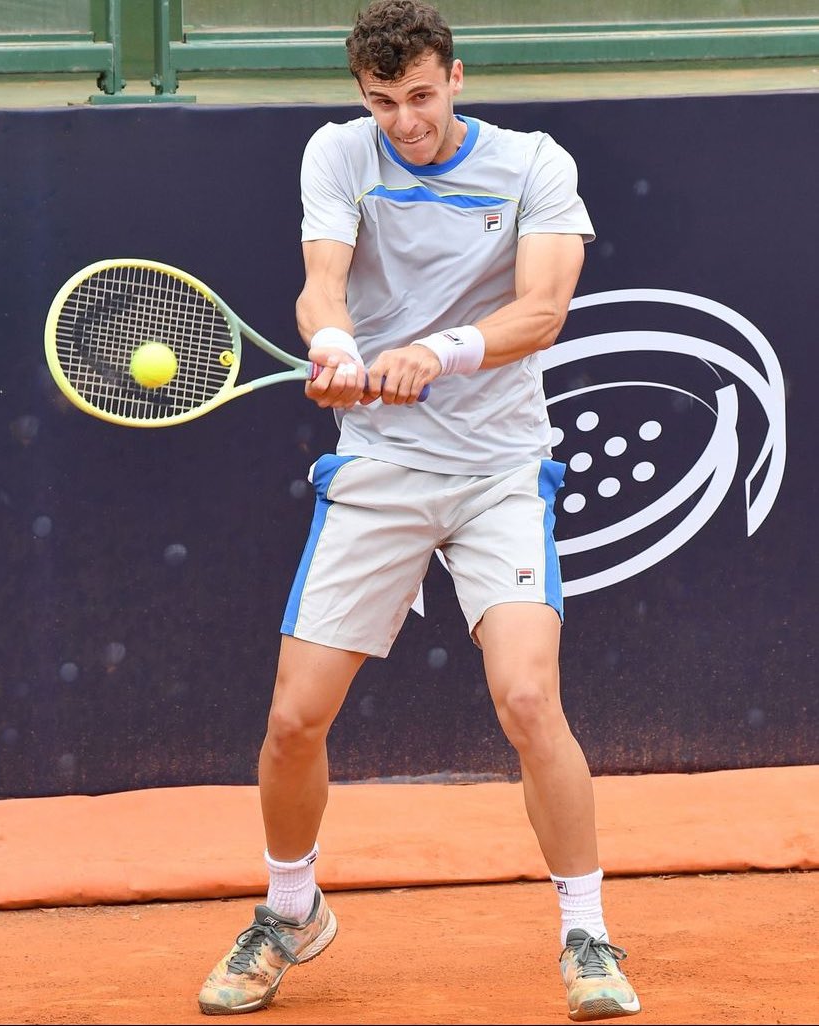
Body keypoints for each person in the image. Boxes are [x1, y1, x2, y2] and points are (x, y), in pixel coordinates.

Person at [198, 1, 640, 1021]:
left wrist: (436, 353)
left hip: (498, 470)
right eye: (382, 99)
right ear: (363, 93)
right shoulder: (340, 152)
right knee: (293, 720)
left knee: (528, 701)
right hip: (383, 467)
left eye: (421, 96)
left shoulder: (534, 164)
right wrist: (336, 349)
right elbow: (322, 287)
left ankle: (586, 935)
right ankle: (291, 911)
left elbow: (543, 309)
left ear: (457, 77)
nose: (404, 120)